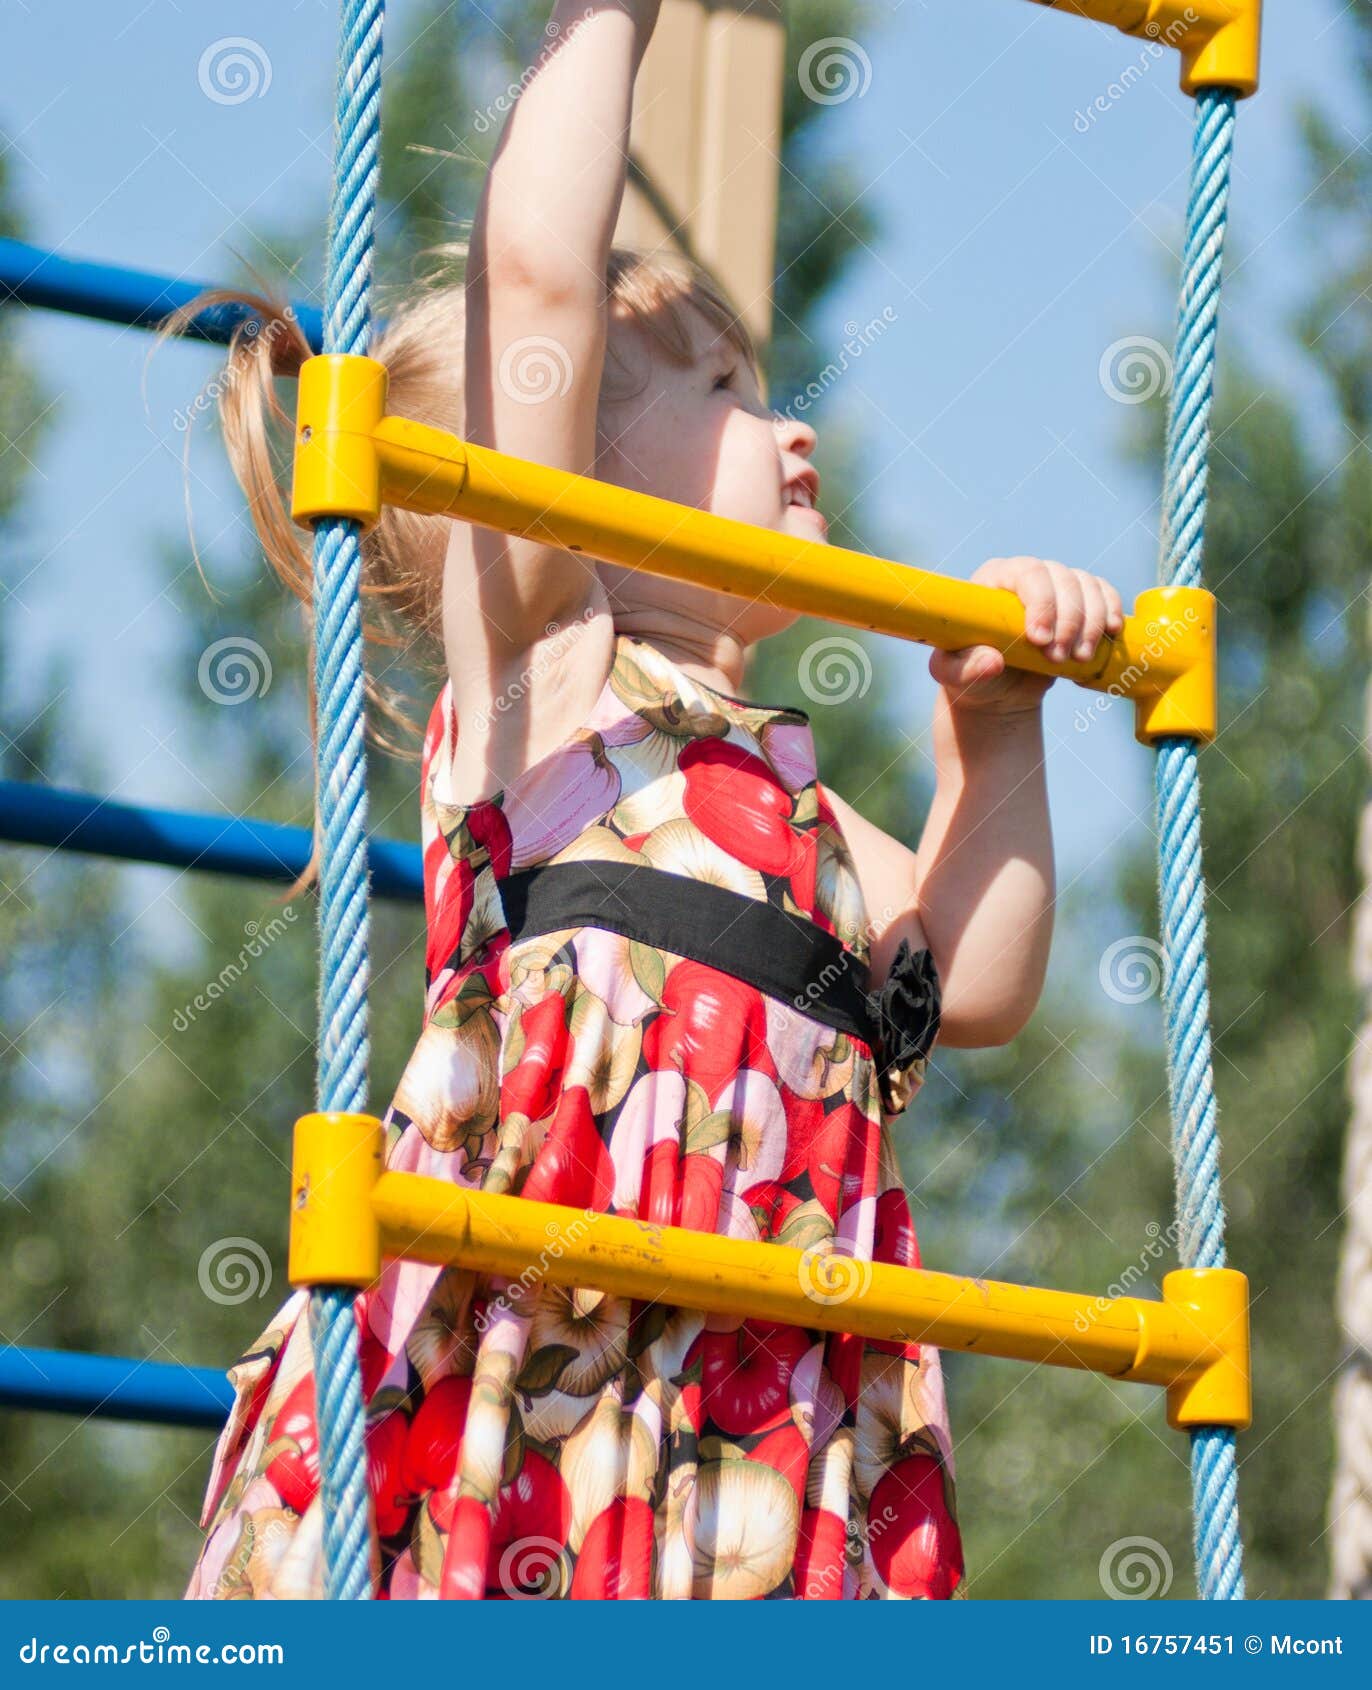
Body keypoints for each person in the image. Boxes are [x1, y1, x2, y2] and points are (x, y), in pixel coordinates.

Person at [181, 0, 1124, 1600]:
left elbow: (968, 980)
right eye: (726, 389)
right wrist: (610, 18)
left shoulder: (779, 786)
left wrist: (999, 732)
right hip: (544, 1361)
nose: (793, 420)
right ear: (571, 475)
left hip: (756, 1411)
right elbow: (541, 279)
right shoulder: (552, 673)